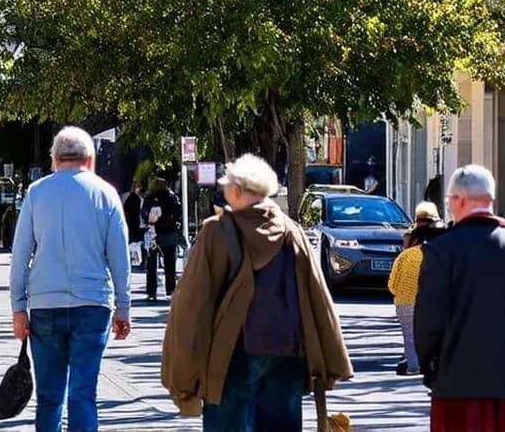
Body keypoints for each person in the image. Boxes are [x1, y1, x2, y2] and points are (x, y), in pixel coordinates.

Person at [162, 153, 352, 431]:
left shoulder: (216, 232)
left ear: (237, 191)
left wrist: (183, 374)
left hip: (231, 358)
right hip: (288, 353)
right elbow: (318, 298)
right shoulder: (292, 232)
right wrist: (329, 361)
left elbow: (193, 306)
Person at [415, 165, 505, 432]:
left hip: (457, 386)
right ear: (490, 200)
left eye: (449, 200)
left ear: (460, 200)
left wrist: (431, 365)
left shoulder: (440, 252)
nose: (450, 206)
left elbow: (429, 322)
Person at [10, 126, 131, 432]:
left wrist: (18, 308)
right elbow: (119, 257)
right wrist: (124, 307)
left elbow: (21, 255)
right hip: (93, 304)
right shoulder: (106, 194)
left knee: (49, 398)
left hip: (45, 304)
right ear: (89, 158)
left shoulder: (37, 193)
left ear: (54, 159)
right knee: (83, 395)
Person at [387, 202, 444, 376]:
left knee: (410, 338)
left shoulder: (406, 255)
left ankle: (413, 364)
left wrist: (399, 292)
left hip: (405, 301)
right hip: (432, 302)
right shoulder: (440, 252)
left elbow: (392, 283)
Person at [142, 178, 183, 301]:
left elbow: (143, 213)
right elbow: (178, 212)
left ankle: (151, 291)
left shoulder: (149, 198)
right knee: (170, 263)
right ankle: (170, 290)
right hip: (168, 233)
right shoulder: (171, 197)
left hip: (152, 232)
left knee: (151, 263)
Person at [123, 181, 145, 269]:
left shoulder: (129, 198)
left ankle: (129, 259)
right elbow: (141, 211)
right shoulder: (137, 198)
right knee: (141, 242)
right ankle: (142, 261)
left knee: (130, 241)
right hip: (136, 222)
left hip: (130, 222)